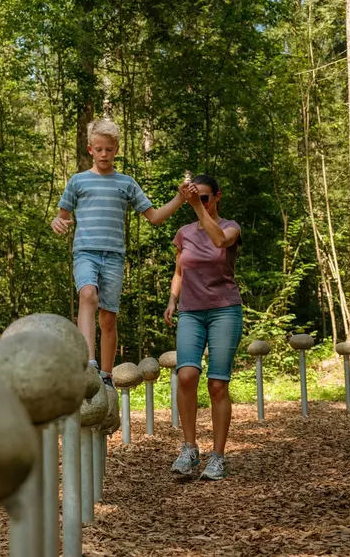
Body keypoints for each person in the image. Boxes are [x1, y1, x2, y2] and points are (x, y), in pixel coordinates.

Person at [51, 118, 185, 385]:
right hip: (86, 252)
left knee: (108, 318)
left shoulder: (126, 183)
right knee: (87, 294)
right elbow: (61, 217)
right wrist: (57, 222)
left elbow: (155, 217)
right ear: (90, 149)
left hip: (114, 257)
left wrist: (181, 198)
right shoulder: (77, 182)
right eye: (98, 149)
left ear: (117, 149)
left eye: (108, 150)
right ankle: (89, 365)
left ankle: (107, 374)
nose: (103, 154)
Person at [164, 174, 243, 481]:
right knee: (186, 376)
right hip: (191, 312)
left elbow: (220, 241)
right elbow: (180, 271)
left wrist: (198, 207)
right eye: (198, 198)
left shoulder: (230, 227)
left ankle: (218, 456)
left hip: (224, 310)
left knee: (217, 384)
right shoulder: (183, 233)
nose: (202, 202)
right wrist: (173, 300)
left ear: (217, 197)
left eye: (206, 198)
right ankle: (189, 448)